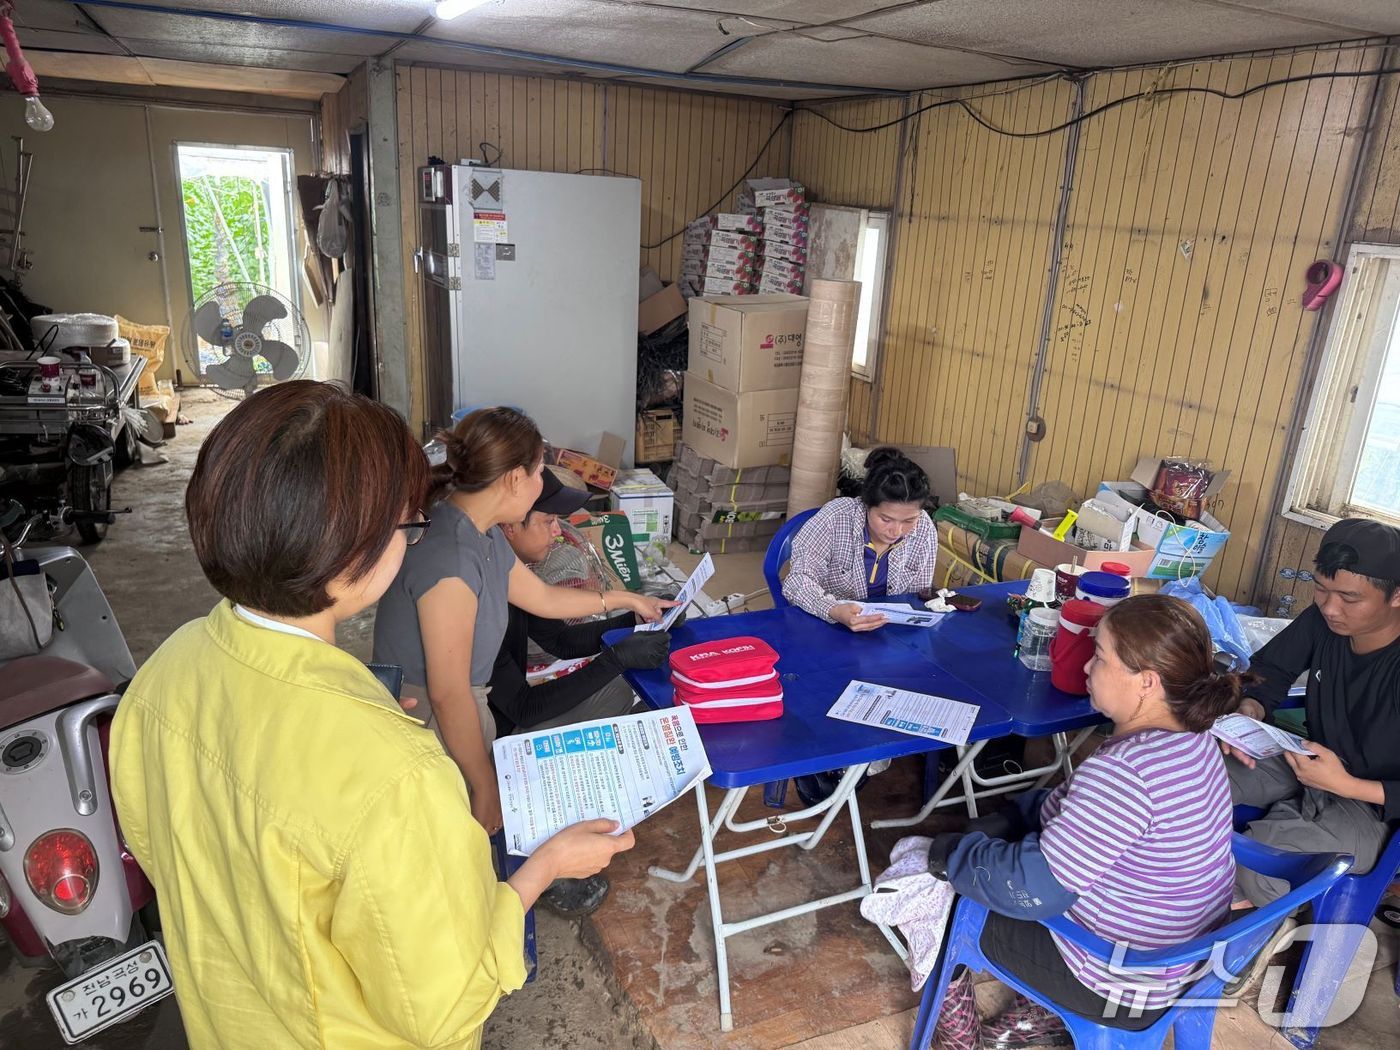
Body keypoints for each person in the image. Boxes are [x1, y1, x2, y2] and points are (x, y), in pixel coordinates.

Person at [110, 382, 634, 1049]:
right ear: (351, 551)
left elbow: (162, 844)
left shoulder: (166, 671)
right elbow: (445, 1002)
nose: (413, 537)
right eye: (406, 523)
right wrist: (547, 864)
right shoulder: (399, 774)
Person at [924, 595, 1239, 1048]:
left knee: (940, 892)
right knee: (1001, 847)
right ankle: (1040, 1018)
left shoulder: (1125, 773)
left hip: (1118, 985)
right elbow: (1090, 816)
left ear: (1147, 682)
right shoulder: (1195, 740)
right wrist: (1025, 811)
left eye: (1100, 657)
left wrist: (951, 854)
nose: (1088, 668)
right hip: (1180, 958)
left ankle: (959, 1040)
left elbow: (1033, 890)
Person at [372, 406, 672, 841]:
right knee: (459, 834)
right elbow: (449, 692)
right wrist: (483, 782)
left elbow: (543, 598)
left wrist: (628, 599)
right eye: (537, 474)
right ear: (514, 478)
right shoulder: (452, 557)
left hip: (461, 708)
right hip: (430, 720)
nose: (540, 486)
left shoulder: (481, 529)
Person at [1225, 517, 1400, 907]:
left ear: (1397, 596)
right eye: (1320, 590)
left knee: (1260, 863)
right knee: (1188, 776)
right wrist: (1250, 708)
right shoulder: (1323, 621)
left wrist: (1348, 786)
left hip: (1376, 812)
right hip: (1308, 757)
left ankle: (1242, 939)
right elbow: (1271, 669)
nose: (1330, 607)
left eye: (1349, 598)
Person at [488, 466, 669, 738]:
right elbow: (523, 707)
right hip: (498, 735)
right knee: (626, 703)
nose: (558, 532)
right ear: (510, 525)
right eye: (548, 521)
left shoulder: (516, 576)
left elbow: (559, 640)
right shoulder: (482, 601)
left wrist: (636, 620)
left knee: (617, 689)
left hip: (514, 711)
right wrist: (615, 660)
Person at [782, 446, 937, 630]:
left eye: (909, 520)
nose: (896, 531)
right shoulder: (835, 518)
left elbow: (918, 596)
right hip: (827, 624)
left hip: (888, 631)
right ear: (866, 504)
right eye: (886, 519)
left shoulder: (924, 527)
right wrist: (834, 609)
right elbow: (797, 581)